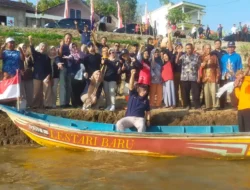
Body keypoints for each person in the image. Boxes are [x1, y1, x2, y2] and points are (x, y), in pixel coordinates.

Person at [28, 36, 52, 108]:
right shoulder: (36, 55)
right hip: (36, 76)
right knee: (36, 92)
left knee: (47, 92)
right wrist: (30, 41)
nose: (43, 47)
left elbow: (49, 68)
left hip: (45, 76)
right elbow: (32, 50)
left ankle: (46, 105)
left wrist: (49, 75)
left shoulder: (47, 57)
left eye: (44, 46)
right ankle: (35, 105)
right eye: (42, 46)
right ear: (39, 47)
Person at [176, 43, 201, 110]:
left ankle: (197, 106)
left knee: (196, 92)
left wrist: (199, 77)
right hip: (184, 78)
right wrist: (178, 53)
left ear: (192, 48)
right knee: (185, 93)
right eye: (187, 48)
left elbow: (199, 67)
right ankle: (187, 105)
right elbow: (177, 62)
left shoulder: (196, 56)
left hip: (194, 77)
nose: (188, 50)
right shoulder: (183, 56)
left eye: (189, 48)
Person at [220, 41, 243, 108]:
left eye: (232, 47)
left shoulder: (237, 56)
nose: (230, 49)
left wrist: (238, 77)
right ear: (227, 48)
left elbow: (240, 67)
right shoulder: (224, 56)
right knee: (223, 91)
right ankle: (222, 105)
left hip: (233, 77)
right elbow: (221, 67)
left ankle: (235, 105)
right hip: (224, 77)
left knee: (233, 92)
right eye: (229, 47)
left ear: (234, 48)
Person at [200, 44, 220, 110]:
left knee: (214, 92)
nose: (208, 50)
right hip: (205, 77)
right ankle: (208, 106)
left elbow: (217, 67)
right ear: (204, 49)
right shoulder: (201, 57)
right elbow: (200, 66)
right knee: (206, 92)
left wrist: (217, 76)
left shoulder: (214, 57)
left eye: (209, 48)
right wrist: (205, 60)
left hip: (213, 76)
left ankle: (215, 106)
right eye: (207, 48)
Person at [232, 62, 250, 132]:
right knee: (241, 129)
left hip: (248, 108)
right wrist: (236, 88)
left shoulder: (247, 81)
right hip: (241, 109)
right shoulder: (241, 85)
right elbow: (239, 96)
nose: (238, 77)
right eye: (237, 76)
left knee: (248, 128)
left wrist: (244, 77)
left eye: (239, 75)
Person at [57, 33, 73, 108]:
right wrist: (61, 46)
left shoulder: (71, 47)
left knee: (69, 85)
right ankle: (62, 103)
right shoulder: (61, 46)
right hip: (63, 67)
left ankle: (67, 102)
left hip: (70, 68)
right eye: (67, 38)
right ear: (64, 38)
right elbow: (59, 55)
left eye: (70, 38)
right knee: (63, 85)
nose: (68, 40)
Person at [17, 43, 33, 108]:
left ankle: (29, 105)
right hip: (21, 77)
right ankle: (23, 106)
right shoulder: (17, 56)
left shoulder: (29, 56)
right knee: (22, 93)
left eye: (25, 47)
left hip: (28, 76)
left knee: (29, 92)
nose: (24, 49)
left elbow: (32, 66)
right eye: (22, 47)